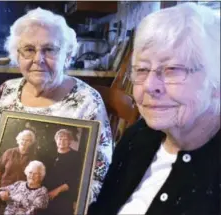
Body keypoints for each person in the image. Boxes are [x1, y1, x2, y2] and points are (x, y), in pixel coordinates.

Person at [0, 7, 112, 214]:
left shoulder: (88, 101)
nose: (38, 59)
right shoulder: (4, 91)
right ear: (18, 55)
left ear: (67, 56)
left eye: (49, 49)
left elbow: (98, 176)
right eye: (29, 49)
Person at [88, 3, 220, 215]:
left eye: (173, 69)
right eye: (142, 69)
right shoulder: (138, 136)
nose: (149, 85)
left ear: (216, 83)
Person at [0, 129, 37, 213]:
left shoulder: (33, 157)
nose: (24, 142)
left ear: (31, 143)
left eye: (28, 140)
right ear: (18, 140)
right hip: (2, 192)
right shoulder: (9, 152)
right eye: (22, 139)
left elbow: (33, 180)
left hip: (19, 197)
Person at [43, 129, 82, 215]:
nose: (62, 141)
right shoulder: (50, 154)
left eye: (65, 139)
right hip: (46, 193)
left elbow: (75, 178)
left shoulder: (76, 156)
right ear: (56, 140)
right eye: (60, 139)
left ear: (70, 141)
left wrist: (57, 191)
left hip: (64, 194)